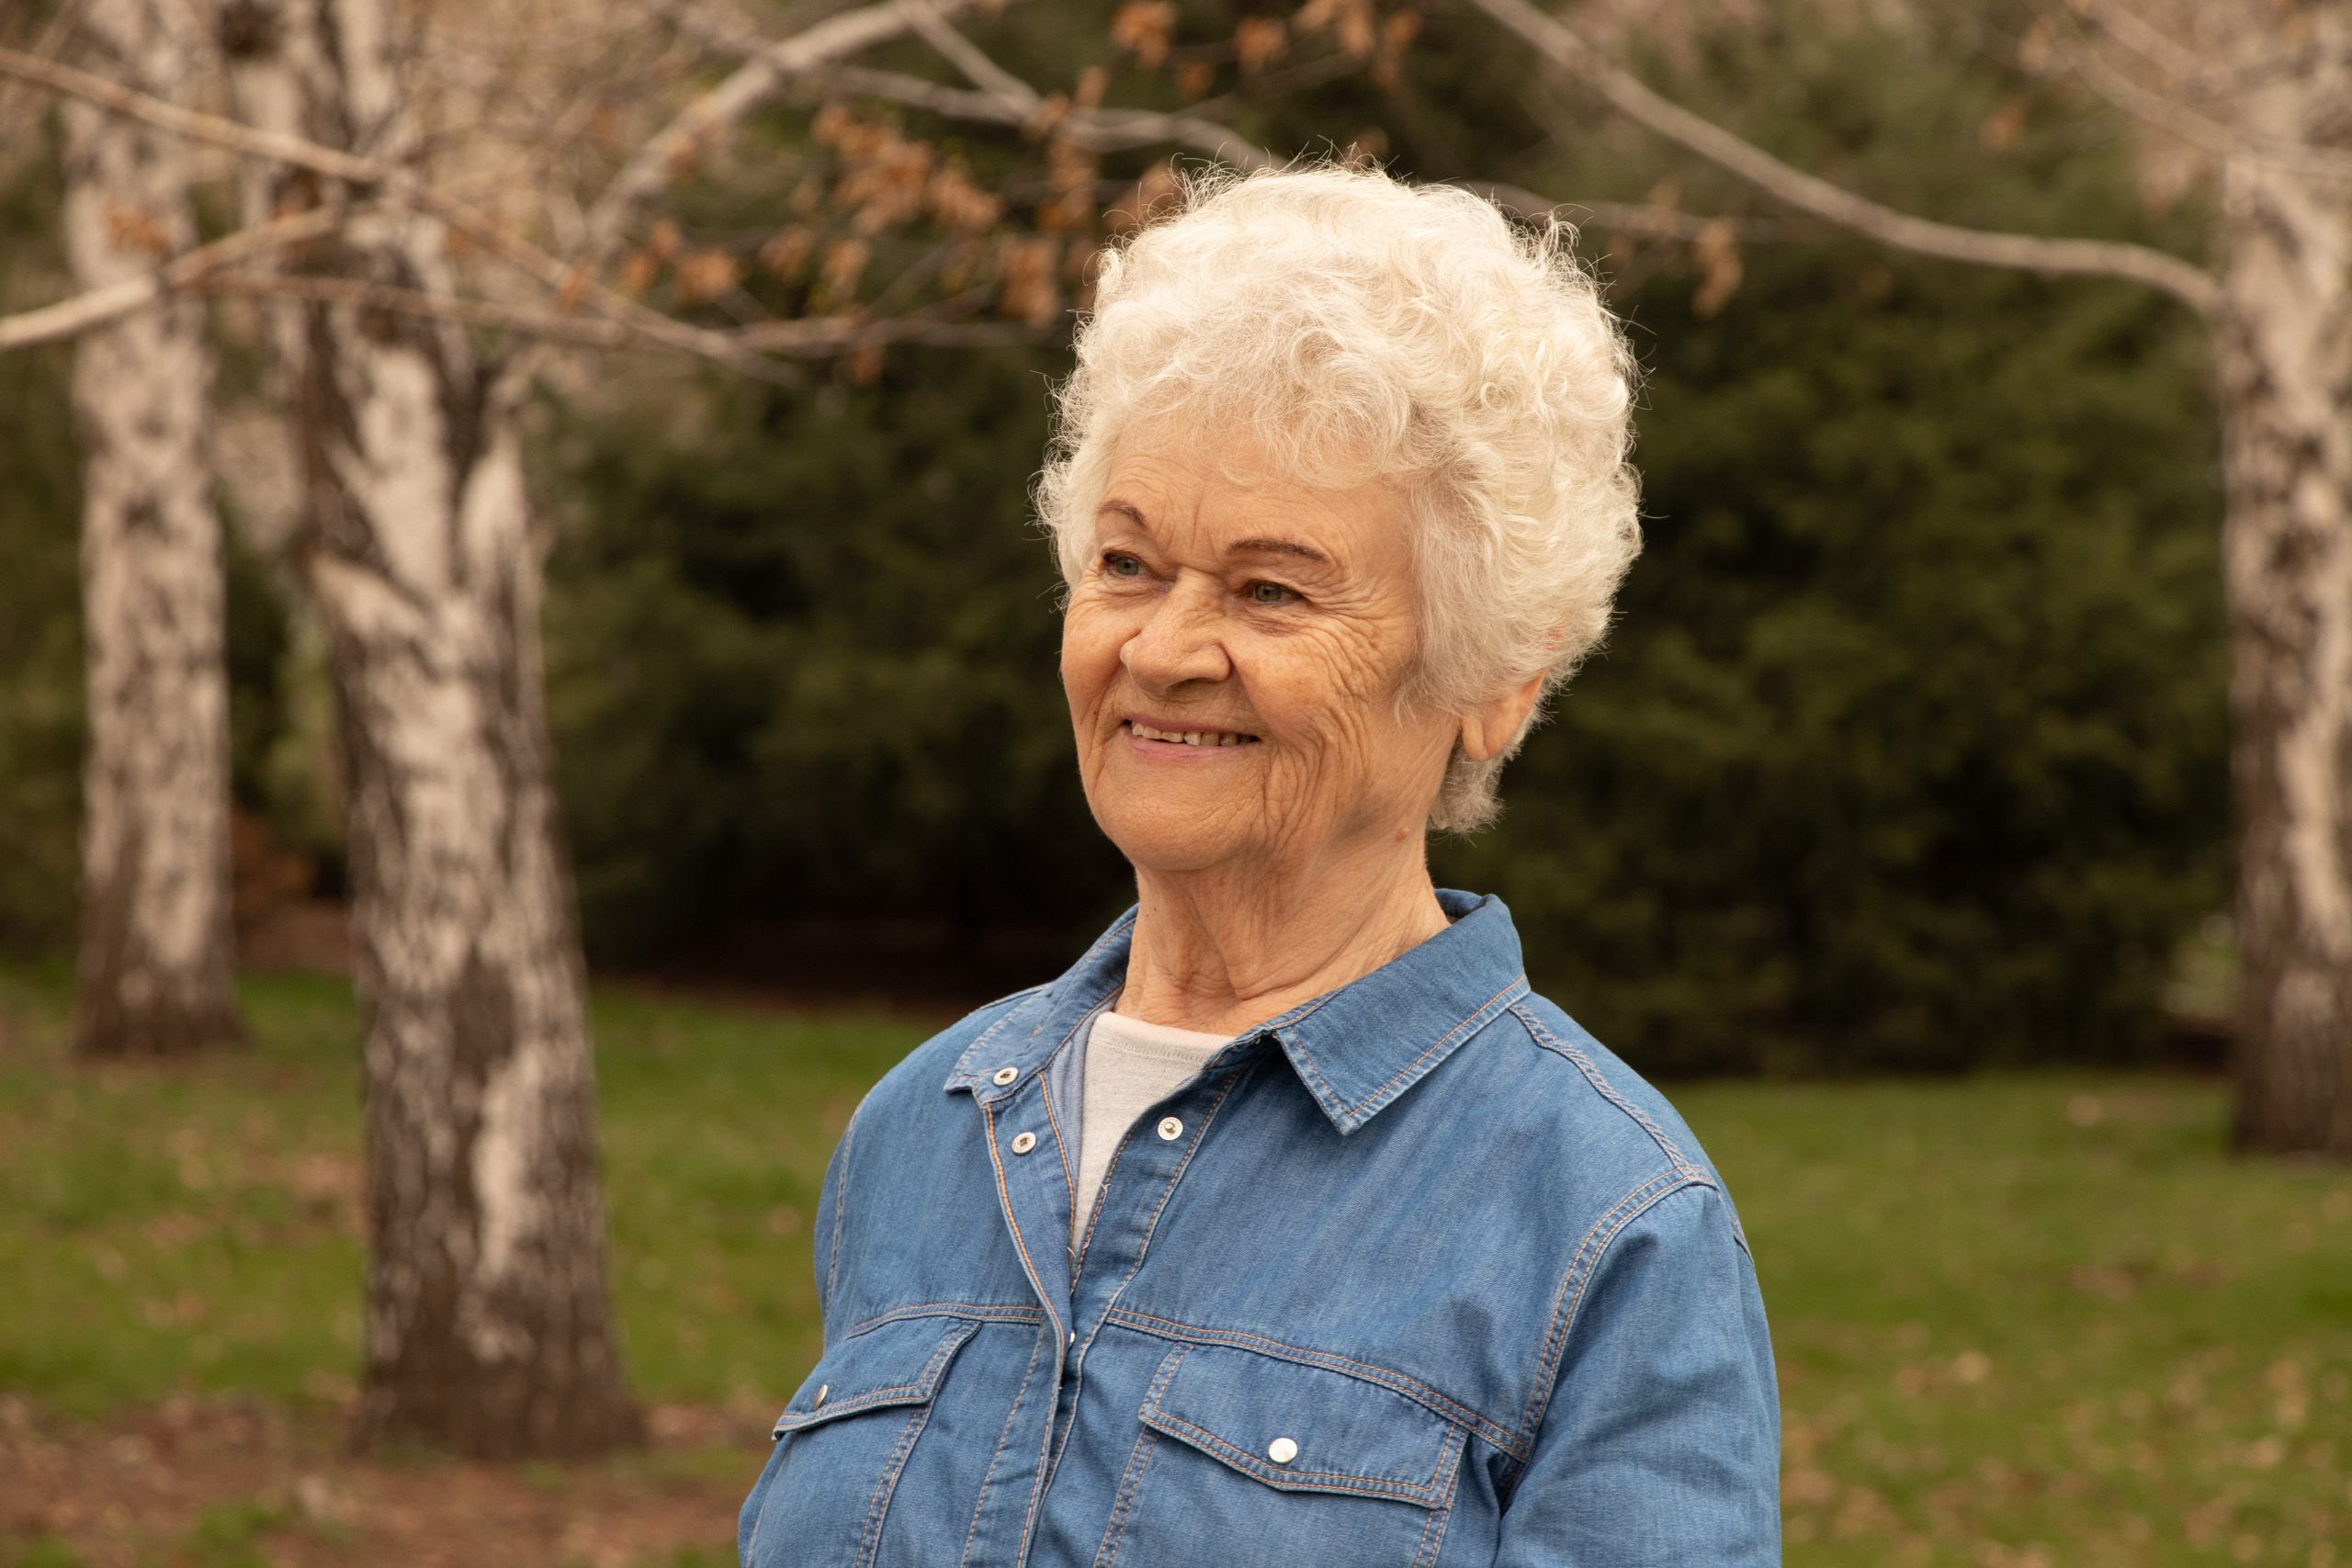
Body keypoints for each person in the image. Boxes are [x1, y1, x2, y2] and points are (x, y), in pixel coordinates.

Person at [739, 163, 1780, 1567]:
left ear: (1494, 677)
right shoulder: (924, 1130)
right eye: (1125, 564)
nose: (1163, 649)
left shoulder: (1604, 1220)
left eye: (1269, 589)